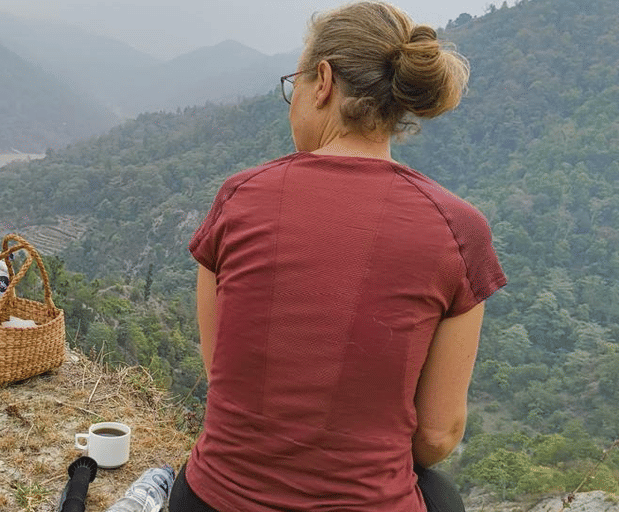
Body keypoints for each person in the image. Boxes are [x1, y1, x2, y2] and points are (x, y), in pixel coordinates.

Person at [169, 2, 507, 511]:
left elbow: (221, 373)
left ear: (322, 81)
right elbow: (438, 436)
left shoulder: (240, 197)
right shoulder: (459, 231)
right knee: (440, 493)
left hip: (214, 500)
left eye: (295, 82)